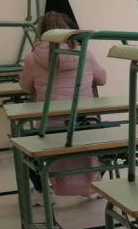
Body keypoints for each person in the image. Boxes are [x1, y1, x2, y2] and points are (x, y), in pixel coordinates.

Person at [19, 11, 106, 197]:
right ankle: (90, 187)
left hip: (51, 127)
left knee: (22, 142)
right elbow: (102, 79)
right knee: (93, 141)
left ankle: (43, 189)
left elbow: (26, 87)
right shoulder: (85, 53)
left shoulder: (32, 58)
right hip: (85, 124)